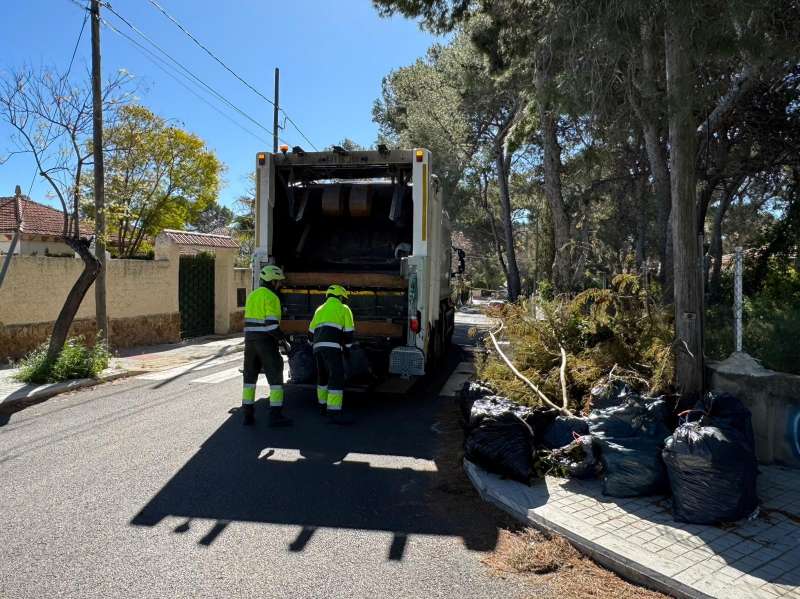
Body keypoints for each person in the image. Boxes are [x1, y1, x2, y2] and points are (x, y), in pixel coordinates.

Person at [241, 264, 292, 427]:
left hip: (250, 342)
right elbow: (271, 325)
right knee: (276, 378)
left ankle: (247, 415)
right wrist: (283, 341)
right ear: (272, 281)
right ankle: (275, 416)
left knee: (249, 379)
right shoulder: (272, 297)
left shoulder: (252, 295)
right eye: (279, 281)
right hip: (266, 342)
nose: (280, 284)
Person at [308, 284, 356, 425]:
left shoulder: (319, 309)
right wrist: (348, 349)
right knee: (336, 376)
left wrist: (314, 344)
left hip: (317, 347)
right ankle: (334, 412)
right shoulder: (344, 308)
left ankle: (322, 406)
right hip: (333, 347)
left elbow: (310, 333)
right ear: (340, 297)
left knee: (322, 376)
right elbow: (349, 333)